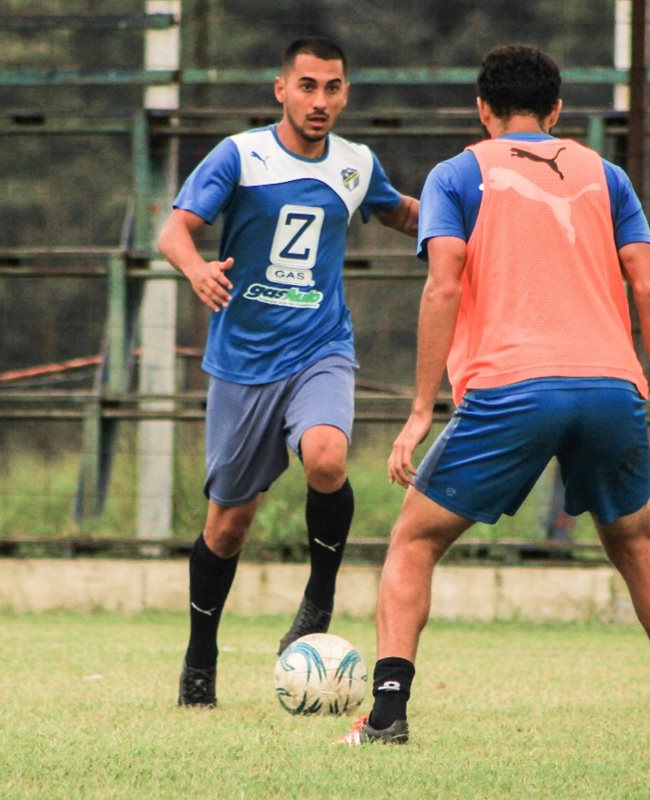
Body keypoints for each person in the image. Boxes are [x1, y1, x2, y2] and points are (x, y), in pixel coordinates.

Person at [337, 44, 650, 749]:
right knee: (638, 546)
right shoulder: (606, 176)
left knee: (413, 542)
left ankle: (387, 716)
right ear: (558, 111)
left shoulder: (458, 174)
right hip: (610, 388)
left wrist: (421, 409)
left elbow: (443, 284)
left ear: (483, 110)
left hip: (512, 389)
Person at [157, 36, 419, 708]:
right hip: (243, 364)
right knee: (227, 528)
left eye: (333, 87)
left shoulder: (357, 165)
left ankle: (319, 599)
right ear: (281, 89)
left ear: (346, 93)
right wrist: (196, 269)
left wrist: (465, 228)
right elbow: (175, 229)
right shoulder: (241, 155)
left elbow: (400, 213)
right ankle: (198, 657)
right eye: (307, 86)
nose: (320, 101)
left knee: (327, 457)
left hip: (320, 348)